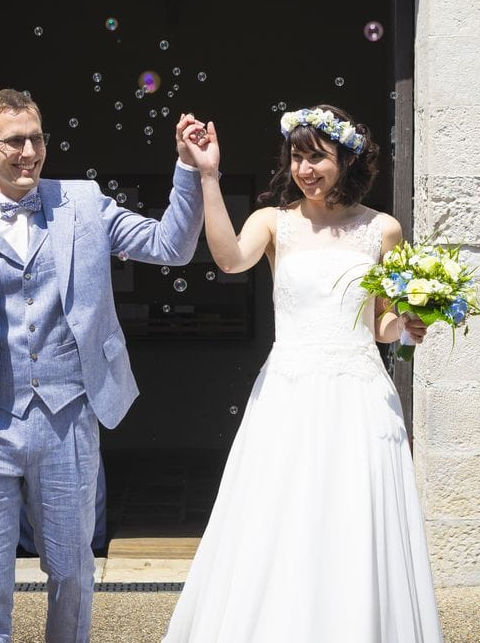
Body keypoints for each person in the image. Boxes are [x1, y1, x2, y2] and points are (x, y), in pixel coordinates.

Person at [0, 88, 206, 643]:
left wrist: (187, 168)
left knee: (71, 574)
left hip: (68, 417)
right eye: (14, 141)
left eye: (37, 138)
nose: (29, 151)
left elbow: (172, 247)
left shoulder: (83, 203)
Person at [163, 105, 441, 642]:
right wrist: (208, 175)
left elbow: (380, 321)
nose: (305, 168)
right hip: (288, 393)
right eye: (297, 155)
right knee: (279, 519)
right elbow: (228, 259)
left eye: (318, 156)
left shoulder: (383, 230)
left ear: (348, 160)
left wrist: (407, 326)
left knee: (353, 521)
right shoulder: (273, 222)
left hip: (359, 396)